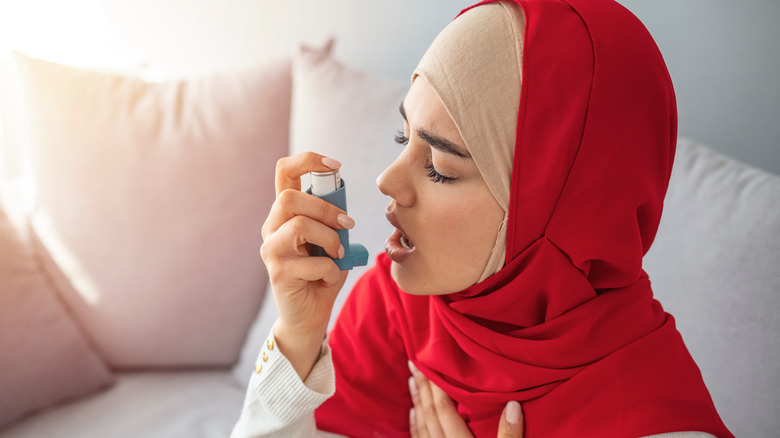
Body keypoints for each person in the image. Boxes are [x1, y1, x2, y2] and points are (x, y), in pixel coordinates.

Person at [232, 0, 734, 437]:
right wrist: (297, 338)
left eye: (442, 168)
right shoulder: (399, 304)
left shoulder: (655, 419)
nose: (386, 181)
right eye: (404, 139)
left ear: (561, 211)